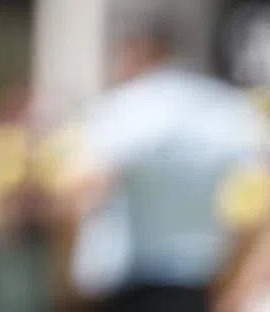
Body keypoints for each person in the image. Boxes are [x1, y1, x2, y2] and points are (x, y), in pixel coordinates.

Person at [60, 16, 270, 312]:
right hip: (198, 279)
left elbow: (87, 191)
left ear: (136, 52)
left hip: (126, 281)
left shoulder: (124, 107)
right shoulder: (223, 107)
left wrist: (65, 277)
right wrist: (241, 280)